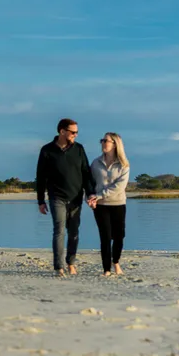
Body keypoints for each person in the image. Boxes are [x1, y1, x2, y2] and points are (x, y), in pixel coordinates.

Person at [36, 118, 96, 277]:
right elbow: (41, 177)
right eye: (73, 132)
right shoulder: (47, 150)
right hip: (56, 197)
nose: (76, 135)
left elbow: (86, 173)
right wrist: (41, 200)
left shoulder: (79, 149)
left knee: (74, 231)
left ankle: (71, 263)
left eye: (77, 132)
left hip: (76, 197)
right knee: (59, 230)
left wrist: (90, 193)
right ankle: (59, 267)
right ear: (62, 131)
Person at [90, 132, 130, 276]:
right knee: (105, 236)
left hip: (118, 203)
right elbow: (90, 183)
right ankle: (106, 269)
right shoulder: (95, 163)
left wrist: (98, 195)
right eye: (102, 140)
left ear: (115, 144)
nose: (103, 143)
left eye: (106, 141)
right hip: (101, 206)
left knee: (119, 236)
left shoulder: (124, 165)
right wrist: (90, 198)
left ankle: (116, 262)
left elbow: (119, 186)